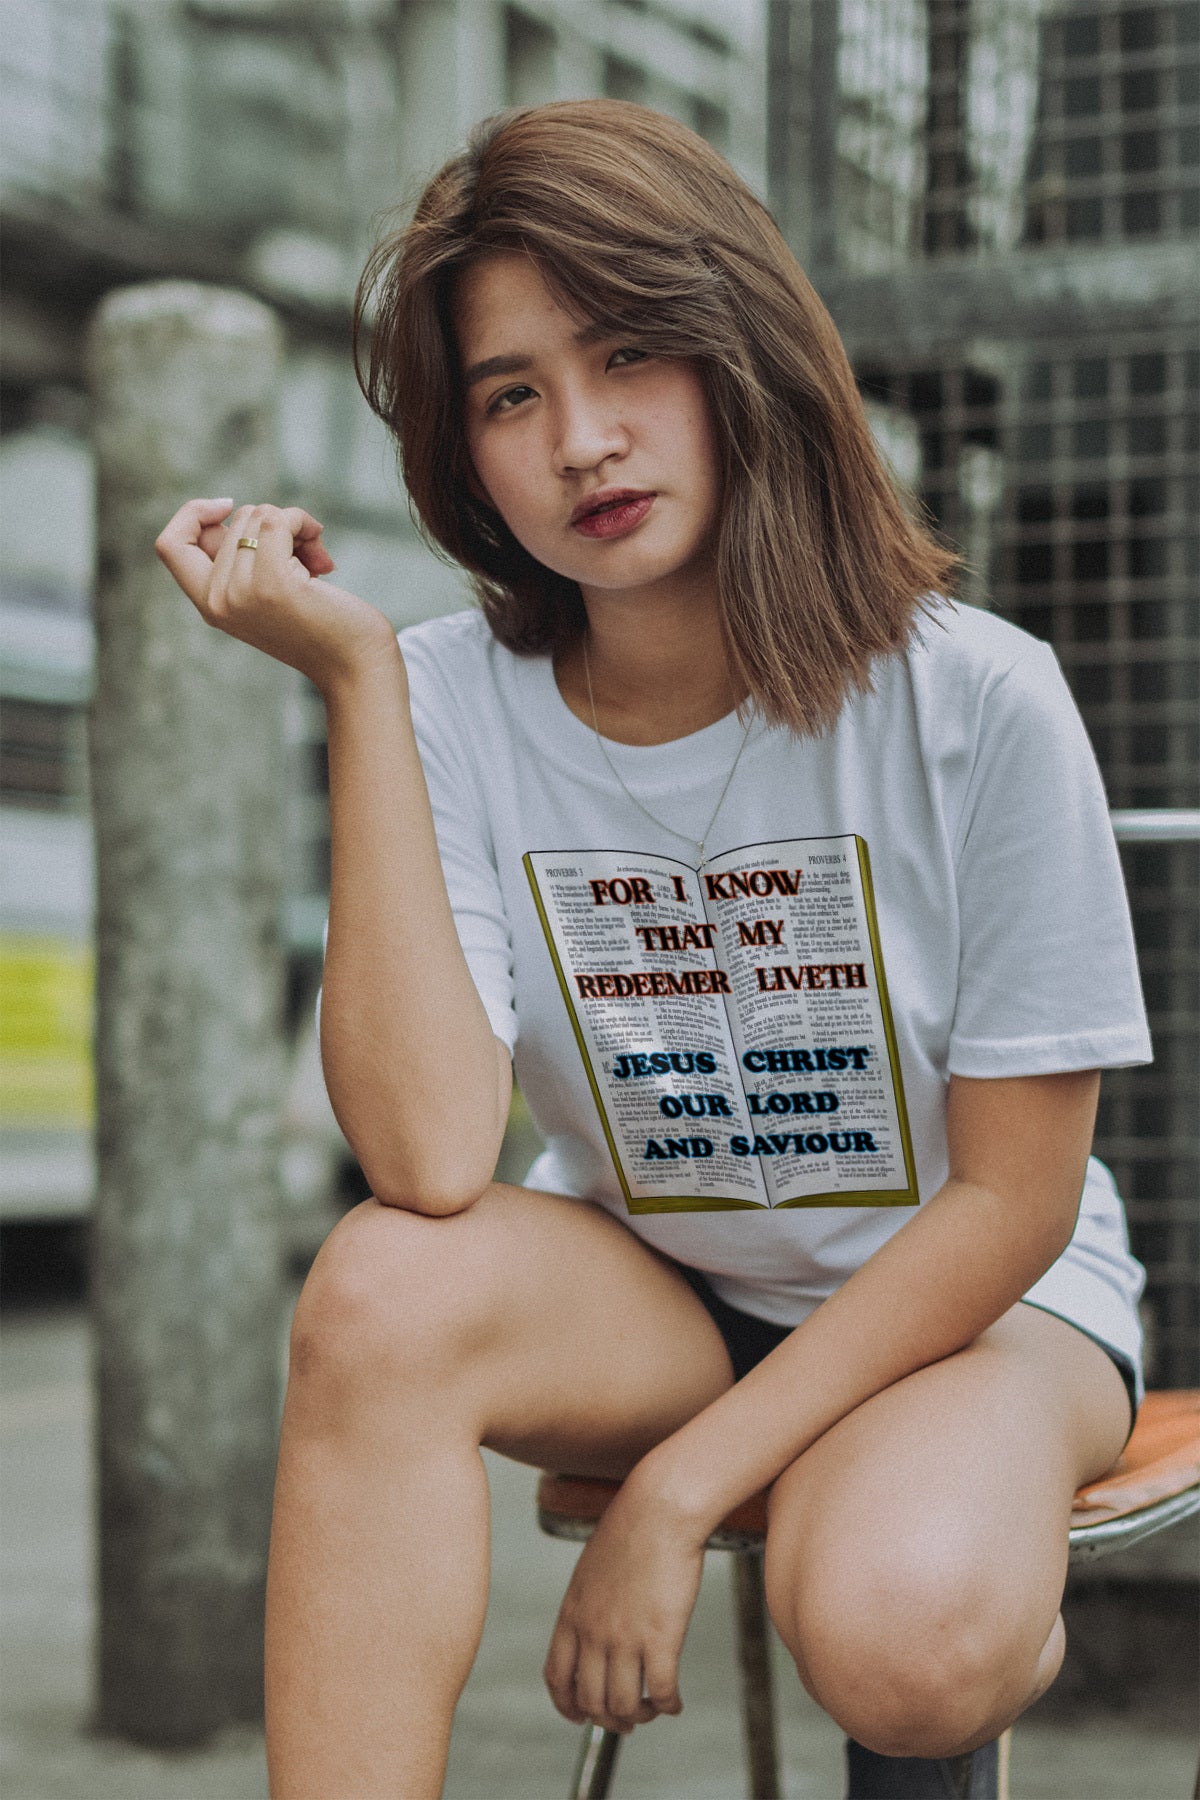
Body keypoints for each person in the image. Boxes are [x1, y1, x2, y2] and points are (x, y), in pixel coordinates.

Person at [155, 100, 1151, 1800]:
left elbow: (1013, 1201)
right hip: (658, 1293)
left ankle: (976, 1588)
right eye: (511, 394)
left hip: (975, 1301)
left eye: (629, 354)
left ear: (739, 353)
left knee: (909, 1637)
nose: (584, 441)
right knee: (380, 1287)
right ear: (466, 455)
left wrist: (682, 1493)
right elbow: (427, 1156)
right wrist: (361, 691)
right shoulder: (448, 699)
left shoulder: (975, 696)